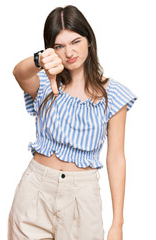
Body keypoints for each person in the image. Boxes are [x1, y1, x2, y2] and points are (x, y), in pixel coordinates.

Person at [8, 5, 138, 240]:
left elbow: (116, 157)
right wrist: (40, 59)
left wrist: (117, 223)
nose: (69, 52)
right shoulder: (45, 84)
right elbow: (18, 73)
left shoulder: (114, 94)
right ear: (51, 48)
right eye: (59, 46)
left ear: (89, 40)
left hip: (82, 197)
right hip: (35, 191)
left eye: (76, 41)